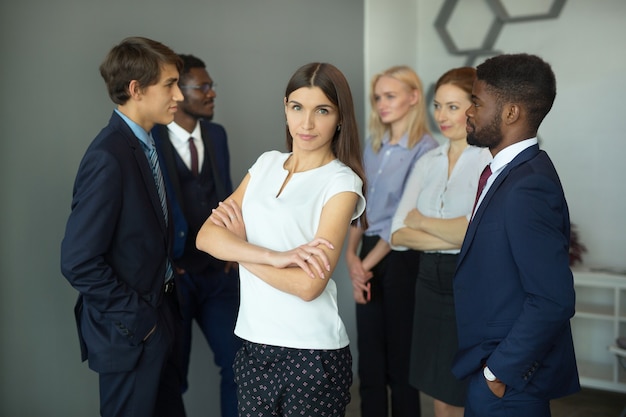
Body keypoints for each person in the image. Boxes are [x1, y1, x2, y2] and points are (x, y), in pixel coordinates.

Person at [196, 62, 367, 417]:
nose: (306, 124)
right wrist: (274, 257)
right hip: (253, 343)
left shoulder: (342, 182)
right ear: (285, 108)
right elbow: (206, 237)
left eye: (322, 110)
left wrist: (240, 251)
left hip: (311, 352)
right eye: (297, 108)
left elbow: (308, 286)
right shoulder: (265, 165)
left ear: (339, 117)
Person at [60, 37, 186, 417]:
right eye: (169, 84)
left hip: (159, 317)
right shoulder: (108, 156)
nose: (179, 95)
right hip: (131, 333)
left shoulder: (150, 142)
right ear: (136, 89)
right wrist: (140, 320)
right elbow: (78, 261)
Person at [452, 53, 580, 416]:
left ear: (511, 113)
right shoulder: (511, 173)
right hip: (490, 370)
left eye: (476, 102)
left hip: (509, 385)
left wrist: (498, 372)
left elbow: (553, 299)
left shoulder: (529, 185)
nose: (468, 111)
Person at [390, 67, 492, 417]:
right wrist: (447, 230)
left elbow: (475, 233)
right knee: (435, 382)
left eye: (452, 106)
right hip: (427, 281)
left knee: (464, 385)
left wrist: (422, 221)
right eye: (437, 106)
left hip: (467, 282)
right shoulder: (427, 161)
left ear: (474, 107)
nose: (441, 116)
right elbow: (397, 232)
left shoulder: (488, 160)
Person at [344, 65, 437, 417]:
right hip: (366, 252)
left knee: (400, 362)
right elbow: (360, 208)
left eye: (390, 96)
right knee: (369, 360)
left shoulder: (426, 151)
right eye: (378, 97)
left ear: (414, 98)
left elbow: (400, 219)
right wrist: (351, 259)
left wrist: (362, 266)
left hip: (401, 257)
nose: (382, 104)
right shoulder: (374, 147)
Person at [151, 54, 241, 417]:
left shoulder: (216, 135)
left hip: (218, 274)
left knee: (238, 364)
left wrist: (234, 249)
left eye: (211, 86)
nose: (211, 93)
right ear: (178, 91)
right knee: (172, 376)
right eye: (202, 87)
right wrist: (167, 263)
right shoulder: (151, 140)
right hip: (177, 278)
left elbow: (227, 195)